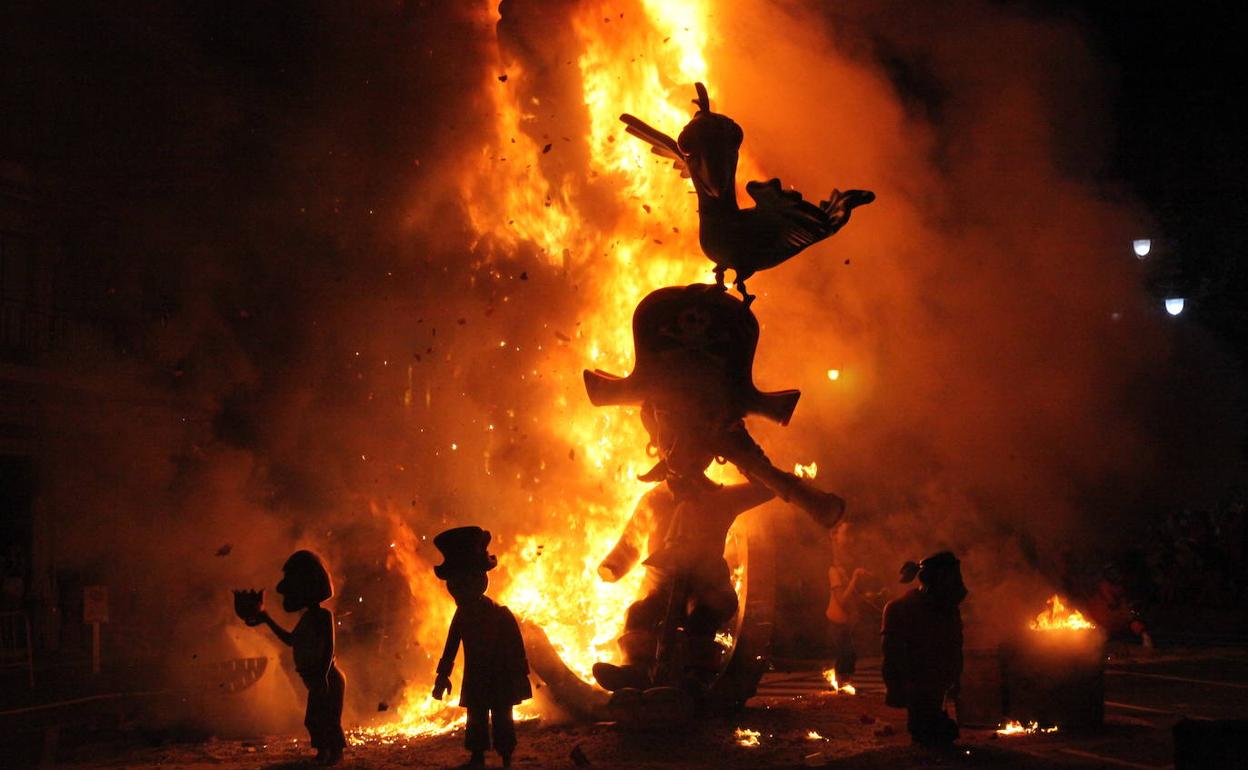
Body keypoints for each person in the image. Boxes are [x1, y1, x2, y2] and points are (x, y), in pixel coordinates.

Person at [431, 526, 532, 770]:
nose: (458, 588)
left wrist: (520, 675)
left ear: (481, 580)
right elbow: (450, 646)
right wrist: (442, 676)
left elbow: (516, 648)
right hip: (476, 677)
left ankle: (506, 755)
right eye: (454, 583)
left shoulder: (500, 614)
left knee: (502, 718)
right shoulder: (462, 615)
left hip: (499, 676)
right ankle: (477, 756)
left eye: (465, 581)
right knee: (475, 718)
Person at [234, 550, 346, 765]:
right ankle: (324, 752)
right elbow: (290, 640)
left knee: (328, 718)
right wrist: (267, 619)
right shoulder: (307, 618)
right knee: (314, 719)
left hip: (328, 677)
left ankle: (335, 754)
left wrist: (323, 675)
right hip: (316, 678)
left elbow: (329, 647)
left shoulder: (324, 616)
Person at [881, 551, 966, 748]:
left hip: (936, 682)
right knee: (931, 731)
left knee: (942, 731)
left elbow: (954, 647)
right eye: (949, 577)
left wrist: (955, 679)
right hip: (917, 683)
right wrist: (899, 690)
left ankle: (932, 724)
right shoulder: (901, 609)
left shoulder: (947, 610)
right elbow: (893, 656)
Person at [825, 520, 868, 683]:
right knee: (845, 655)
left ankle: (844, 686)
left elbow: (850, 597)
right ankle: (841, 687)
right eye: (846, 536)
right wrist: (855, 578)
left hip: (845, 624)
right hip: (837, 623)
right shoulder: (834, 572)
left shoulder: (840, 570)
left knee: (849, 655)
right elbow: (841, 600)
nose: (851, 541)